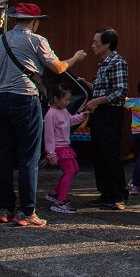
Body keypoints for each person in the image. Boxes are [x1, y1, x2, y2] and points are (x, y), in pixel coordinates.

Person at [0, 2, 88, 228]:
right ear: (35, 22)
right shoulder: (36, 40)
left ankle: (5, 208)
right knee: (29, 158)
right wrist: (75, 58)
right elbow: (58, 68)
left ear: (15, 20)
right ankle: (27, 211)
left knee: (5, 156)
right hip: (26, 100)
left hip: (2, 101)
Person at [81, 28, 129, 210]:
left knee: (110, 155)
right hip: (99, 113)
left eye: (96, 42)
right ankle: (105, 194)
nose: (93, 46)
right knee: (98, 155)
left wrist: (96, 101)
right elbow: (104, 89)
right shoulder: (102, 63)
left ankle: (119, 195)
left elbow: (120, 91)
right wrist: (88, 86)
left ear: (107, 44)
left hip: (110, 113)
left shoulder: (117, 62)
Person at [43, 84, 92, 213]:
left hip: (65, 146)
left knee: (74, 170)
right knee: (69, 171)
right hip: (58, 149)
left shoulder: (63, 110)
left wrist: (82, 116)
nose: (67, 102)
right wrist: (51, 153)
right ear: (55, 99)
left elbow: (69, 120)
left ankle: (54, 193)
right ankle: (60, 201)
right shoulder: (50, 115)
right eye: (65, 99)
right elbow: (48, 136)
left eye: (69, 99)